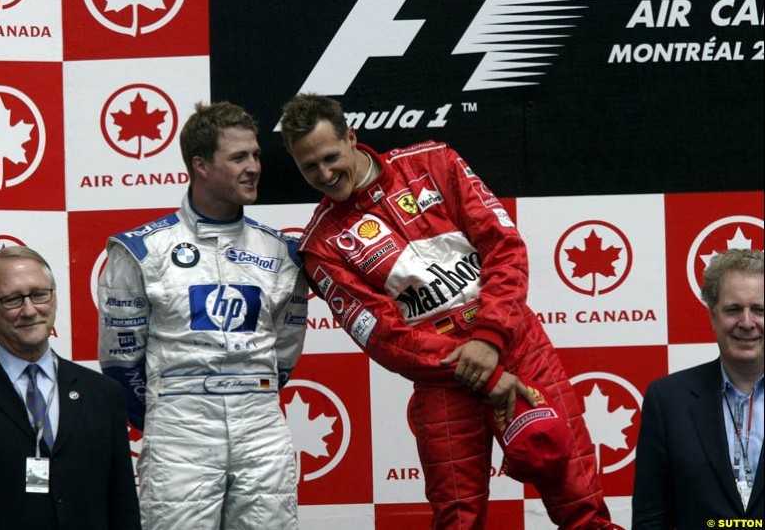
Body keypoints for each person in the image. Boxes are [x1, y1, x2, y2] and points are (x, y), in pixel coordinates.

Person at [280, 93, 615, 529]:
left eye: (330, 157)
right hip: (443, 379)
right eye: (309, 167)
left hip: (516, 344)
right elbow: (385, 338)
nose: (325, 174)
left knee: (579, 499)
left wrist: (490, 340)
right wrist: (484, 372)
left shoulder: (432, 163)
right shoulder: (321, 246)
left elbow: (504, 248)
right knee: (458, 519)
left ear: (351, 138)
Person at [98, 101, 309, 530]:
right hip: (180, 433)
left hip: (262, 430)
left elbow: (285, 356)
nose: (254, 167)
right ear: (200, 166)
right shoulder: (142, 251)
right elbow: (120, 363)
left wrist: (246, 395)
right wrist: (171, 414)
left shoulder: (283, 252)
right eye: (238, 158)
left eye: (255, 155)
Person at [0, 246, 140, 530]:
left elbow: (122, 506)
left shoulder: (103, 393)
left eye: (39, 294)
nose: (29, 310)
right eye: (12, 299)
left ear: (55, 297)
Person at [633, 248, 764, 529]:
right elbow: (651, 515)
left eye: (759, 309)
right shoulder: (667, 400)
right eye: (733, 309)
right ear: (713, 316)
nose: (746, 322)